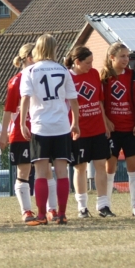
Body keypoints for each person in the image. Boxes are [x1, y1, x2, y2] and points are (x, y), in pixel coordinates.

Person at [19, 34, 80, 226]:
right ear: (54, 48)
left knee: (40, 173)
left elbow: (25, 98)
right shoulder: (63, 70)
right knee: (62, 172)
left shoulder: (30, 71)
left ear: (37, 48)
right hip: (61, 125)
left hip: (40, 126)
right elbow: (73, 99)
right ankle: (61, 214)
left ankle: (41, 215)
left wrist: (22, 123)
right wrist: (75, 122)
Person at [65, 46, 113, 218]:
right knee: (80, 168)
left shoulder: (93, 74)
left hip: (97, 128)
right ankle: (82, 207)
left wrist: (105, 123)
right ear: (77, 62)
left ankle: (103, 205)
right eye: (87, 62)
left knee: (101, 165)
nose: (91, 65)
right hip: (79, 130)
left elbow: (99, 101)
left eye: (92, 62)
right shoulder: (67, 77)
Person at [102, 43, 135, 217]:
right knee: (110, 166)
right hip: (112, 130)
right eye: (122, 56)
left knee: (134, 165)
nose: (126, 59)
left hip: (131, 129)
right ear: (112, 57)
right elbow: (99, 102)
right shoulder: (104, 77)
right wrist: (106, 121)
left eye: (127, 56)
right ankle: (105, 205)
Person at [0, 44, 36, 222]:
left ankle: (50, 209)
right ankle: (26, 210)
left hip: (41, 129)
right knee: (24, 171)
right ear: (29, 58)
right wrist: (3, 134)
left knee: (45, 170)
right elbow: (8, 110)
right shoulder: (16, 81)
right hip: (22, 133)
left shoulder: (41, 76)